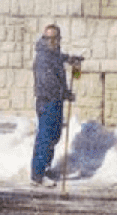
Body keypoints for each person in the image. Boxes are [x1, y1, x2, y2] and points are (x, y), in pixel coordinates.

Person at [31, 24, 82, 187]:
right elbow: (49, 82)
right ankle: (37, 175)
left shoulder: (54, 54)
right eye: (48, 38)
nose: (52, 41)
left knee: (54, 136)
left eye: (55, 38)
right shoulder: (43, 57)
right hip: (47, 101)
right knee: (45, 138)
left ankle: (45, 168)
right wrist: (65, 93)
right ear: (44, 39)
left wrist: (71, 60)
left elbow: (59, 57)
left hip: (56, 100)